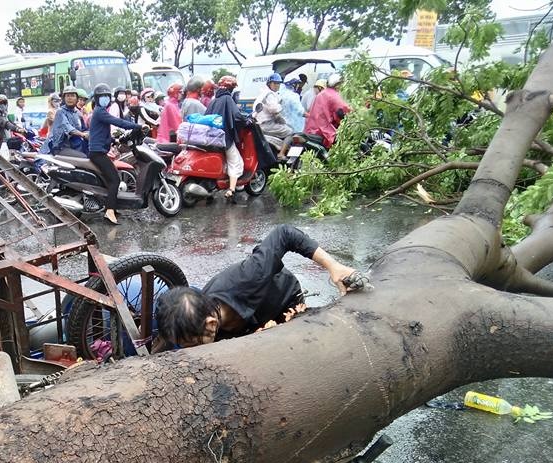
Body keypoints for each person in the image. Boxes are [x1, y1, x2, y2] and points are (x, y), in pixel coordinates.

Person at [152, 225, 360, 351]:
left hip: (283, 301)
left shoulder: (251, 276)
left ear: (211, 324)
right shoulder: (200, 325)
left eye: (193, 346)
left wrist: (334, 267)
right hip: (251, 325)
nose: (191, 351)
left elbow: (285, 234)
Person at [88, 83, 141, 225]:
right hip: (98, 153)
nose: (105, 99)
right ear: (97, 99)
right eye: (102, 96)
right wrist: (138, 126)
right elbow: (118, 122)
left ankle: (111, 207)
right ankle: (109, 211)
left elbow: (101, 132)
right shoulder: (100, 111)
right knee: (115, 180)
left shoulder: (100, 112)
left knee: (111, 179)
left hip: (99, 151)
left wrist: (114, 140)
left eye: (107, 96)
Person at [206, 75, 250, 202]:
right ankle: (231, 189)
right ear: (230, 89)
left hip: (210, 139)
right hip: (223, 138)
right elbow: (237, 116)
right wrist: (246, 121)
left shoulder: (213, 100)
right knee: (236, 161)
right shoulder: (227, 99)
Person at [304, 72, 351, 149]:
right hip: (323, 130)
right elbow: (343, 109)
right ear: (338, 85)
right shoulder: (333, 95)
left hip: (311, 129)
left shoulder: (322, 94)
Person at [44, 86, 86, 155]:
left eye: (72, 96)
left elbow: (84, 129)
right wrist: (82, 135)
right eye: (67, 96)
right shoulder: (60, 112)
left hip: (75, 145)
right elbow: (68, 128)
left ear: (77, 99)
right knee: (84, 157)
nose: (70, 98)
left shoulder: (78, 113)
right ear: (64, 98)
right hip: (61, 147)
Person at [255, 73, 293, 144]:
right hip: (267, 124)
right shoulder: (269, 94)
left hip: (263, 124)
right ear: (269, 84)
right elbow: (275, 111)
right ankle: (282, 151)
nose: (277, 85)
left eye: (278, 83)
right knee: (290, 131)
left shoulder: (264, 92)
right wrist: (283, 121)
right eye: (275, 83)